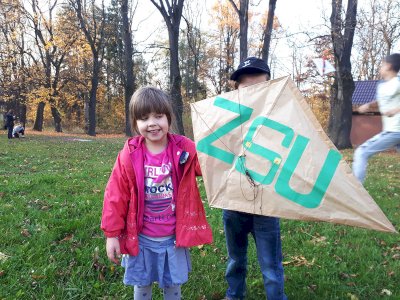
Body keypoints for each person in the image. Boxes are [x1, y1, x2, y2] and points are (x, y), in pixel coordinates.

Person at [101, 87, 213, 300]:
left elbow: (206, 165)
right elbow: (115, 195)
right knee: (142, 286)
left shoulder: (183, 147)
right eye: (144, 118)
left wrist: (215, 142)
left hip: (172, 237)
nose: (152, 123)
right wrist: (112, 235)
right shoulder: (129, 155)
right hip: (141, 238)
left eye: (158, 116)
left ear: (168, 118)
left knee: (172, 285)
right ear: (135, 124)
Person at [222, 57, 287, 300]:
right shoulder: (226, 120)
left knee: (271, 265)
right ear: (236, 89)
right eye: (247, 88)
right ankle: (234, 294)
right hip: (234, 203)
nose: (253, 94)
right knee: (236, 259)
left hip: (266, 206)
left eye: (260, 88)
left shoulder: (281, 122)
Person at [353, 53, 400, 183]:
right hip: (393, 132)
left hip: (395, 131)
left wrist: (396, 110)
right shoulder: (382, 85)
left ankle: (357, 193)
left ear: (389, 66)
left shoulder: (398, 82)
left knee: (361, 152)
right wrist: (368, 105)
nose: (380, 67)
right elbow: (381, 101)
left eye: (382, 65)